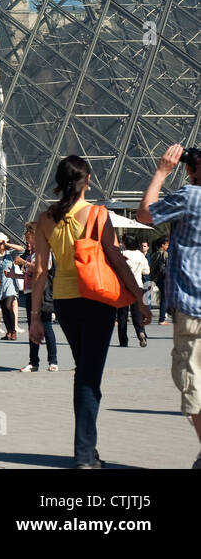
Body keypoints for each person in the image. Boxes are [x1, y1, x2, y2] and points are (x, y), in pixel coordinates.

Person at [31, 154, 148, 468]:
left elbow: (40, 271)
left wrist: (35, 318)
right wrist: (138, 297)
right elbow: (117, 259)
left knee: (85, 371)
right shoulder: (98, 214)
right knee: (88, 377)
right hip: (97, 299)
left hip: (66, 302)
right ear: (88, 180)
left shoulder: (45, 219)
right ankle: (84, 454)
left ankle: (87, 449)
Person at [135, 144, 201, 468]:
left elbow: (145, 213)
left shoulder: (190, 197)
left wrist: (162, 171)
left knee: (192, 384)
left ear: (192, 168)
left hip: (192, 307)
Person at [22, 259, 59, 373]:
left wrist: (24, 263)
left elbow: (42, 271)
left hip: (43, 293)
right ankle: (33, 362)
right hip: (29, 293)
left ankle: (53, 361)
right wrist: (15, 275)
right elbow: (29, 274)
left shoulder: (45, 252)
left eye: (29, 240)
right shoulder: (30, 255)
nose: (28, 243)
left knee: (47, 327)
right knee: (32, 328)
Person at [117, 237, 150, 348]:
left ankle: (123, 340)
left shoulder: (121, 253)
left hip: (124, 287)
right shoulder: (140, 255)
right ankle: (141, 332)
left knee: (122, 315)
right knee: (137, 313)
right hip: (137, 286)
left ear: (125, 243)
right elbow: (147, 271)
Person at [0, 235, 24, 339]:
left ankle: (13, 330)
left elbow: (22, 249)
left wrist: (7, 244)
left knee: (8, 306)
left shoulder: (10, 255)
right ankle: (9, 331)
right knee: (4, 310)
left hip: (10, 285)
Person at [150, 238, 172, 324]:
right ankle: (162, 319)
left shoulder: (154, 254)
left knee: (164, 297)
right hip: (164, 278)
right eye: (167, 244)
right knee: (164, 298)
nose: (168, 246)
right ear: (163, 245)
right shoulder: (165, 254)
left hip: (156, 278)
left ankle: (168, 312)